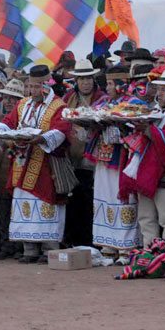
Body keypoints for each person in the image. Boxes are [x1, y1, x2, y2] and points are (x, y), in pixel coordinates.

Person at [0, 65, 72, 263]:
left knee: (46, 203)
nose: (32, 91)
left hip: (46, 165)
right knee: (23, 204)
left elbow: (61, 130)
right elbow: (8, 122)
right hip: (22, 163)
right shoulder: (23, 104)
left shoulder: (59, 106)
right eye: (30, 86)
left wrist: (42, 139)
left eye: (36, 87)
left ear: (46, 86)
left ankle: (48, 249)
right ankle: (29, 249)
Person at [120, 67, 165, 247]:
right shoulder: (154, 111)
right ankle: (149, 250)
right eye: (158, 89)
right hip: (146, 169)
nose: (158, 93)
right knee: (146, 216)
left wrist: (149, 130)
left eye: (162, 89)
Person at [85, 66, 141, 263]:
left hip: (122, 159)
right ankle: (108, 245)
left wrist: (121, 129)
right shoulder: (103, 103)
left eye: (110, 83)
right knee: (103, 197)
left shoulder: (135, 104)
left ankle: (126, 248)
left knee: (122, 200)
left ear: (120, 84)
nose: (107, 87)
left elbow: (137, 129)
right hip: (103, 157)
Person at [63, 59, 104, 247]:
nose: (86, 82)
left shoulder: (101, 98)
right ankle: (73, 240)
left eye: (88, 78)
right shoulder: (68, 98)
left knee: (89, 200)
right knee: (73, 200)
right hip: (72, 157)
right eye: (82, 79)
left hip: (93, 157)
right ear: (76, 81)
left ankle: (90, 241)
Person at [0, 79, 25, 260]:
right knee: (3, 212)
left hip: (20, 173)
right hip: (2, 176)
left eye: (14, 98)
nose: (9, 101)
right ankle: (5, 245)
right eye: (6, 97)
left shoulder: (26, 121)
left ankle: (20, 246)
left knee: (18, 211)